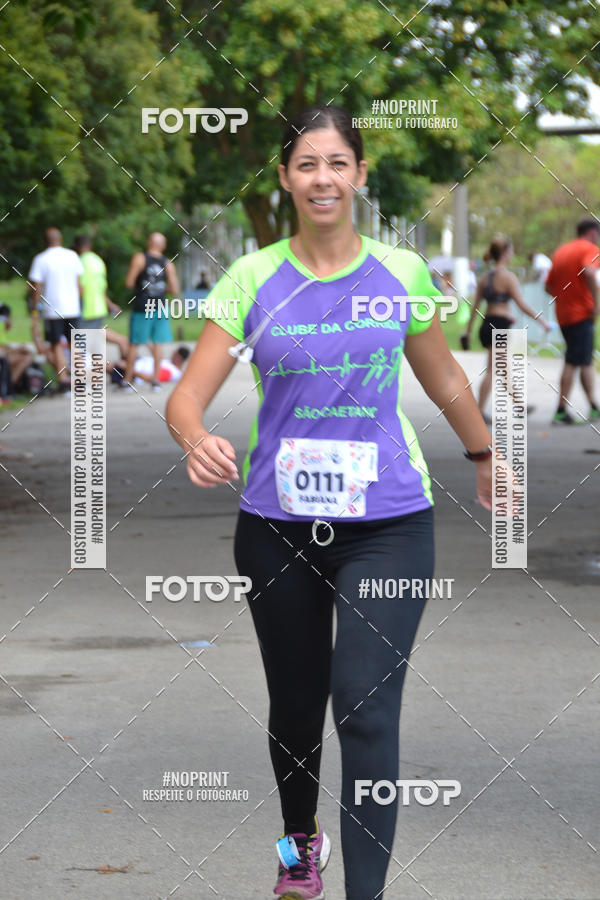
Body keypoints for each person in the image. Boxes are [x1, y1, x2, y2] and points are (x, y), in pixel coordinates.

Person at [166, 105, 496, 900]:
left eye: (337, 163)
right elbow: (185, 397)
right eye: (307, 164)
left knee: (366, 706)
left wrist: (486, 454)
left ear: (359, 174)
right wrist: (195, 438)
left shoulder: (400, 272)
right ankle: (299, 848)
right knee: (296, 706)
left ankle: (366, 894)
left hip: (389, 523)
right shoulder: (251, 278)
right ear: (285, 177)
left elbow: (443, 375)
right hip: (276, 526)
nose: (323, 178)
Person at [462, 235, 550, 422]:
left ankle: (519, 405)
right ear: (504, 253)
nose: (512, 255)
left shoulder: (485, 278)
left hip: (487, 324)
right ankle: (480, 411)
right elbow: (522, 304)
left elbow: (475, 307)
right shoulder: (508, 277)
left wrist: (467, 331)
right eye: (510, 251)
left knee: (500, 368)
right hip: (500, 325)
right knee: (493, 369)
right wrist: (541, 320)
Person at [545, 218, 600, 424]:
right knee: (576, 360)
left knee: (582, 359)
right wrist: (596, 303)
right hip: (581, 314)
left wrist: (564, 298)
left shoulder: (562, 251)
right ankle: (561, 410)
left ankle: (593, 406)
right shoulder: (590, 249)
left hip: (564, 315)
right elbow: (589, 271)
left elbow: (548, 286)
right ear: (592, 232)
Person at [28, 227, 83, 393]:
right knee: (74, 343)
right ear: (61, 239)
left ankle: (64, 380)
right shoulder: (72, 256)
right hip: (73, 307)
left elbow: (37, 287)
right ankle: (79, 378)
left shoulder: (41, 259)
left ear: (44, 241)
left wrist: (35, 309)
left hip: (52, 309)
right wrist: (78, 301)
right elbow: (79, 284)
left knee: (56, 344)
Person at [123, 232, 179, 391]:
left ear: (149, 243)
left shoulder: (140, 258)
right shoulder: (168, 263)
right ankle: (155, 380)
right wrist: (161, 288)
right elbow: (174, 289)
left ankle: (128, 380)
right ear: (163, 246)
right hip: (160, 306)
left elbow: (129, 282)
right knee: (158, 343)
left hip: (142, 305)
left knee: (134, 343)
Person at [73, 235, 129, 357]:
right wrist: (109, 304)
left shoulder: (79, 262)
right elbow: (101, 287)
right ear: (90, 245)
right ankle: (122, 343)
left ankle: (86, 370)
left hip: (85, 309)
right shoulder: (98, 261)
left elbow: (80, 287)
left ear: (76, 246)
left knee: (82, 346)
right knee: (96, 338)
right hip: (99, 308)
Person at [108, 346, 189, 387]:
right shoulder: (169, 363)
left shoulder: (173, 372)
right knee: (124, 342)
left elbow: (151, 378)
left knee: (106, 365)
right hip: (136, 362)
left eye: (174, 354)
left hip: (132, 373)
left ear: (178, 358)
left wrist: (128, 368)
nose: (171, 355)